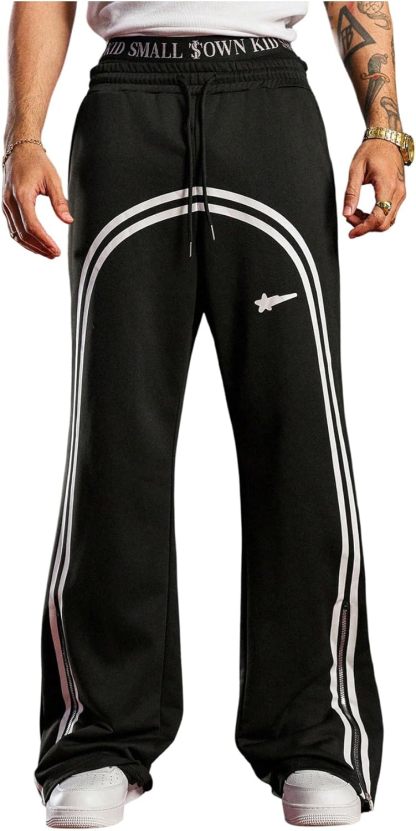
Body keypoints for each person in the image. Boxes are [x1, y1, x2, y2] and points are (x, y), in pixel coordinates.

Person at [2, 1, 412, 827]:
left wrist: (385, 125)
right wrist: (24, 137)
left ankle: (315, 733)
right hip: (127, 106)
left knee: (298, 430)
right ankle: (99, 735)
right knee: (114, 435)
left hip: (268, 103)